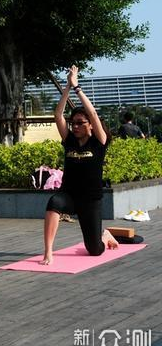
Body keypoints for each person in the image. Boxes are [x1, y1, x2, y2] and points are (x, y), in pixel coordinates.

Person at [40, 65, 118, 266]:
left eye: (80, 123)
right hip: (70, 196)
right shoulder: (69, 140)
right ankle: (48, 251)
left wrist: (77, 87)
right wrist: (66, 86)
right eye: (73, 123)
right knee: (54, 202)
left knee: (94, 250)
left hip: (90, 200)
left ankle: (105, 236)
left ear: (90, 125)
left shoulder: (98, 142)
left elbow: (92, 113)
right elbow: (58, 116)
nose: (75, 126)